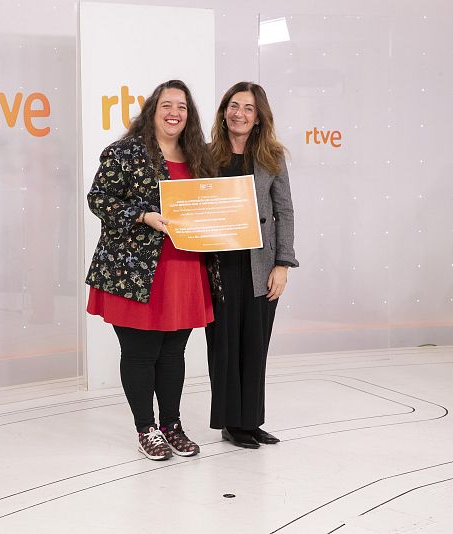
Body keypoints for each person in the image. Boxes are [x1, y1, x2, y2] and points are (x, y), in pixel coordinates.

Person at [86, 80, 217, 461]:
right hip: (136, 270)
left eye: (182, 106)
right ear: (153, 110)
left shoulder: (199, 157)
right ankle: (146, 429)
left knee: (174, 353)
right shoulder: (125, 152)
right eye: (166, 105)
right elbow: (99, 199)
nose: (174, 112)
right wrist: (143, 215)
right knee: (141, 353)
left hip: (185, 267)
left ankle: (171, 425)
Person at [205, 81, 298, 449]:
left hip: (261, 266)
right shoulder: (206, 154)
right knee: (225, 345)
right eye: (233, 105)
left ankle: (251, 421)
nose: (239, 113)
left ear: (259, 118)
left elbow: (285, 211)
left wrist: (283, 264)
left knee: (255, 345)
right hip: (219, 265)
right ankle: (231, 423)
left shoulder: (272, 157)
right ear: (224, 111)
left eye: (247, 108)